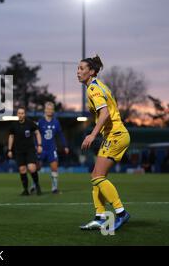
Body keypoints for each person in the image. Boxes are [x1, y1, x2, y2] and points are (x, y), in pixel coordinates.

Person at [77, 55, 131, 231]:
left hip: (115, 135)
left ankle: (121, 213)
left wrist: (92, 135)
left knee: (98, 176)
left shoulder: (93, 88)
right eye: (77, 69)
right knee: (96, 176)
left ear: (91, 71)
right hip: (114, 135)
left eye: (81, 69)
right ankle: (100, 217)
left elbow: (105, 113)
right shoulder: (100, 86)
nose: (78, 72)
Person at [7, 107, 43, 195]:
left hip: (30, 150)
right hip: (19, 151)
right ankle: (25, 190)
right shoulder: (13, 125)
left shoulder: (30, 123)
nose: (20, 115)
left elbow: (37, 133)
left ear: (25, 114)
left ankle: (37, 185)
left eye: (22, 113)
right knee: (22, 169)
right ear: (17, 114)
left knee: (32, 168)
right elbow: (11, 137)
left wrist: (39, 145)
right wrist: (9, 150)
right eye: (19, 113)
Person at [36, 102, 69, 194]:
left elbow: (61, 135)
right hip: (42, 148)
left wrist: (65, 146)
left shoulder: (56, 122)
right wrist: (37, 146)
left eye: (51, 109)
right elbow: (36, 134)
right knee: (37, 167)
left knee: (54, 168)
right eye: (48, 109)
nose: (49, 110)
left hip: (51, 148)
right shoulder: (40, 121)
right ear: (45, 110)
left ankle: (54, 188)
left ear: (53, 110)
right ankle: (35, 185)